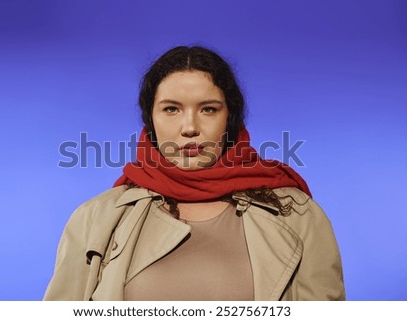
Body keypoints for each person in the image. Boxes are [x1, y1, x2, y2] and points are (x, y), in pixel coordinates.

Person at [44, 46, 345, 301]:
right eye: (172, 109)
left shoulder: (297, 214)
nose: (189, 127)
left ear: (230, 118)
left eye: (208, 109)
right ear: (150, 119)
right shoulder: (96, 218)